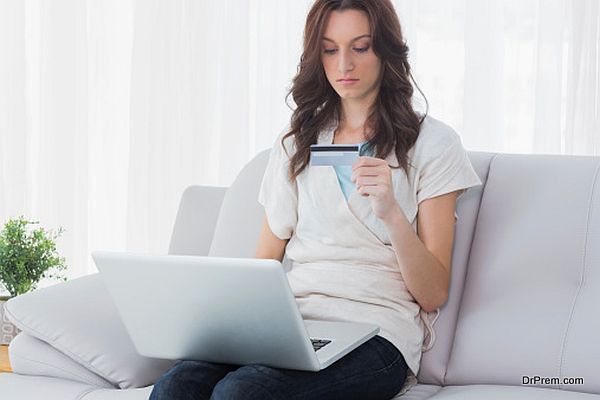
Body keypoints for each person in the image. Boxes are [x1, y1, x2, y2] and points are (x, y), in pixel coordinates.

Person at [150, 0, 482, 399]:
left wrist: (392, 214)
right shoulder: (297, 142)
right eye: (330, 49)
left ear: (386, 49)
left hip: (377, 335)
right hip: (295, 325)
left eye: (360, 47)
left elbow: (433, 293)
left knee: (242, 393)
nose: (344, 65)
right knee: (177, 385)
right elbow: (263, 265)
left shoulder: (433, 144)